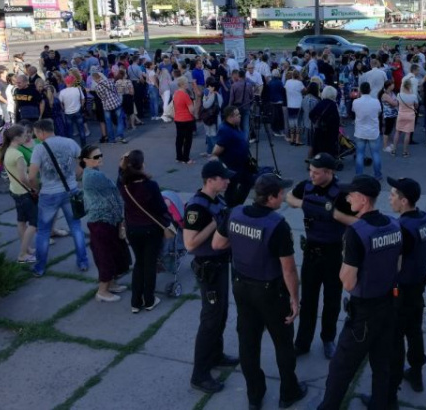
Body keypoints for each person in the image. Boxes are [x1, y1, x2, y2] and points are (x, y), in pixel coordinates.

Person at [212, 174, 308, 410]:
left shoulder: (235, 213)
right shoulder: (277, 225)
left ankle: (254, 395)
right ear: (272, 197)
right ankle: (289, 392)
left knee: (248, 342)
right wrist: (295, 300)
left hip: (242, 288)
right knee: (283, 343)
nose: (284, 196)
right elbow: (288, 270)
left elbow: (217, 244)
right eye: (281, 193)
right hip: (271, 293)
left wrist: (242, 243)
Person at [318, 175, 402, 410]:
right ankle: (381, 404)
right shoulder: (394, 224)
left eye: (351, 194)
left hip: (364, 312)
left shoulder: (356, 232)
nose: (347, 198)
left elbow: (347, 281)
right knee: (381, 361)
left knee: (341, 366)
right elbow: (398, 266)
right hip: (388, 305)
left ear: (363, 199)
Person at [287, 153, 357, 359]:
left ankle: (328, 338)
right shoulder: (307, 186)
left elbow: (357, 220)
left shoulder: (342, 192)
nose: (312, 175)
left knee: (332, 300)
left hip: (334, 253)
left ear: (329, 172)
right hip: (311, 252)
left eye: (316, 173)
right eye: (310, 171)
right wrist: (304, 204)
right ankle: (302, 342)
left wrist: (334, 214)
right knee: (308, 300)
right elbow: (289, 197)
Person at [183, 160, 240, 394]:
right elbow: (189, 244)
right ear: (210, 180)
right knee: (210, 320)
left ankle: (216, 355)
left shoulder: (218, 199)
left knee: (221, 313)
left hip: (220, 264)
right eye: (223, 178)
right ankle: (200, 375)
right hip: (208, 267)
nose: (227, 181)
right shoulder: (197, 208)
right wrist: (215, 225)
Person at [386, 177, 426, 402]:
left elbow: (394, 263)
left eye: (393, 195)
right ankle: (416, 373)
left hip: (403, 290)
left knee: (395, 337)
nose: (389, 198)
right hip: (417, 285)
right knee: (415, 331)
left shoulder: (403, 229)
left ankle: (391, 387)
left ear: (404, 201)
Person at [28, 119, 89, 277]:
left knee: (43, 231)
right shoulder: (70, 142)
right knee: (76, 227)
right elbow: (85, 160)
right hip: (71, 190)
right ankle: (83, 261)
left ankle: (40, 267)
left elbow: (32, 176)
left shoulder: (39, 149)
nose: (35, 136)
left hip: (49, 194)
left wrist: (36, 188)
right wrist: (77, 174)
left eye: (35, 133)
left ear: (41, 132)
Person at [119, 150, 172, 312]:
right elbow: (160, 208)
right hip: (150, 229)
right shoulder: (150, 186)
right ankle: (149, 300)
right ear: (142, 164)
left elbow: (120, 173)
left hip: (132, 229)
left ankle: (135, 302)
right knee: (149, 265)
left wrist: (123, 161)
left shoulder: (124, 185)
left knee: (139, 264)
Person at [79, 145, 130, 302]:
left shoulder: (94, 172)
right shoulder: (93, 176)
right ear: (86, 160)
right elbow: (116, 190)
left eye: (100, 155)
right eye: (96, 157)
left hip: (107, 220)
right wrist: (122, 170)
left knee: (114, 253)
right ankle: (102, 291)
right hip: (101, 222)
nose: (100, 158)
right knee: (105, 256)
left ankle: (111, 283)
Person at [2, 124, 38, 263]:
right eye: (24, 135)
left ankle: (26, 248)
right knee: (34, 223)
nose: (27, 137)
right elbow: (24, 178)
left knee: (21, 222)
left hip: (15, 190)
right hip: (24, 192)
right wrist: (33, 188)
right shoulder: (18, 155)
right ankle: (23, 254)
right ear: (16, 138)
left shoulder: (8, 151)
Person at [212, 105, 252, 207]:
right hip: (232, 167)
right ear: (230, 117)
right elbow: (216, 151)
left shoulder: (235, 126)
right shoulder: (225, 130)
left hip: (242, 165)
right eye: (237, 115)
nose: (240, 116)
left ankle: (236, 205)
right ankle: (230, 209)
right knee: (231, 189)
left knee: (248, 182)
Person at [352, 82, 382, 180]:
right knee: (375, 154)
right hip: (373, 131)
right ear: (370, 90)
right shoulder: (376, 101)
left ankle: (359, 175)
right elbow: (379, 112)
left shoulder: (355, 102)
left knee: (360, 154)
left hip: (360, 131)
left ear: (360, 90)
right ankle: (377, 175)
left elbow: (354, 112)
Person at [310, 86, 341, 158]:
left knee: (318, 148)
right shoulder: (333, 105)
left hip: (319, 129)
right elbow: (336, 120)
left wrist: (316, 121)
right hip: (330, 131)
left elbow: (311, 114)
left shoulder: (320, 103)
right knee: (329, 149)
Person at [173, 78, 198, 165]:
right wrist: (195, 105)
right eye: (187, 83)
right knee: (188, 140)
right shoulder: (185, 95)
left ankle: (179, 157)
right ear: (183, 84)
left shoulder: (175, 94)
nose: (188, 84)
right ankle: (186, 158)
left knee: (179, 139)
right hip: (186, 119)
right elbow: (191, 110)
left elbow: (175, 107)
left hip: (178, 119)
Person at [392, 78, 418, 158]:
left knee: (397, 132)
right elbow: (416, 106)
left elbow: (396, 104)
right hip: (410, 115)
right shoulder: (413, 96)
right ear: (410, 86)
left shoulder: (399, 95)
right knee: (407, 133)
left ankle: (394, 150)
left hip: (401, 114)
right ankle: (405, 152)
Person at [285, 70, 305, 145]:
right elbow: (305, 91)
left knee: (291, 123)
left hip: (290, 104)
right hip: (298, 104)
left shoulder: (287, 82)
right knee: (298, 123)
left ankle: (292, 139)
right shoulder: (300, 83)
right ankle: (297, 140)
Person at [380, 80, 398, 153]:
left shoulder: (391, 93)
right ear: (389, 86)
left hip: (393, 114)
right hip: (388, 115)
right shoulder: (385, 95)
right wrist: (397, 101)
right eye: (392, 84)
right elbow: (394, 103)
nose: (394, 86)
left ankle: (388, 144)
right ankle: (384, 147)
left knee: (390, 130)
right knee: (387, 131)